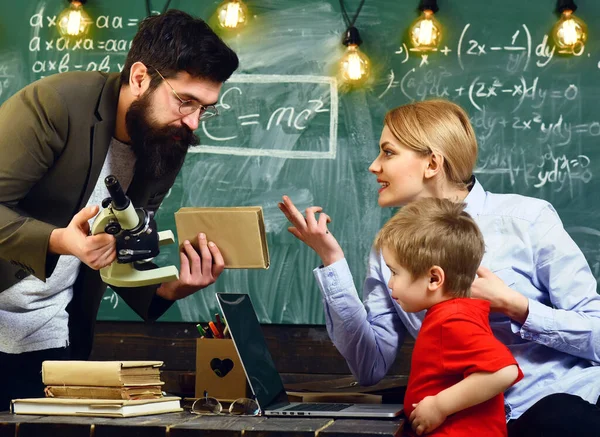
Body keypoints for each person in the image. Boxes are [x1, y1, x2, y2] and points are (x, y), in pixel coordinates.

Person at [279, 99, 600, 437]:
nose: (374, 166)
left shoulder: (529, 220)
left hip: (562, 404)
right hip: (466, 423)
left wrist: (515, 306)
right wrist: (332, 262)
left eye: (388, 153)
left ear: (431, 163)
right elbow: (369, 365)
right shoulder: (389, 252)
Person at [0, 10, 239, 408]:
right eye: (185, 101)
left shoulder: (166, 141)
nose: (194, 122)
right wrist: (61, 241)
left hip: (53, 337)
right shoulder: (54, 105)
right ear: (141, 77)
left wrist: (171, 288)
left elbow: (121, 251)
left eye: (206, 107)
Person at [374, 197, 522, 435]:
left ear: (434, 279)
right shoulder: (454, 313)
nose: (390, 283)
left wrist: (439, 406)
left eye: (394, 272)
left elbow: (503, 371)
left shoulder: (452, 319)